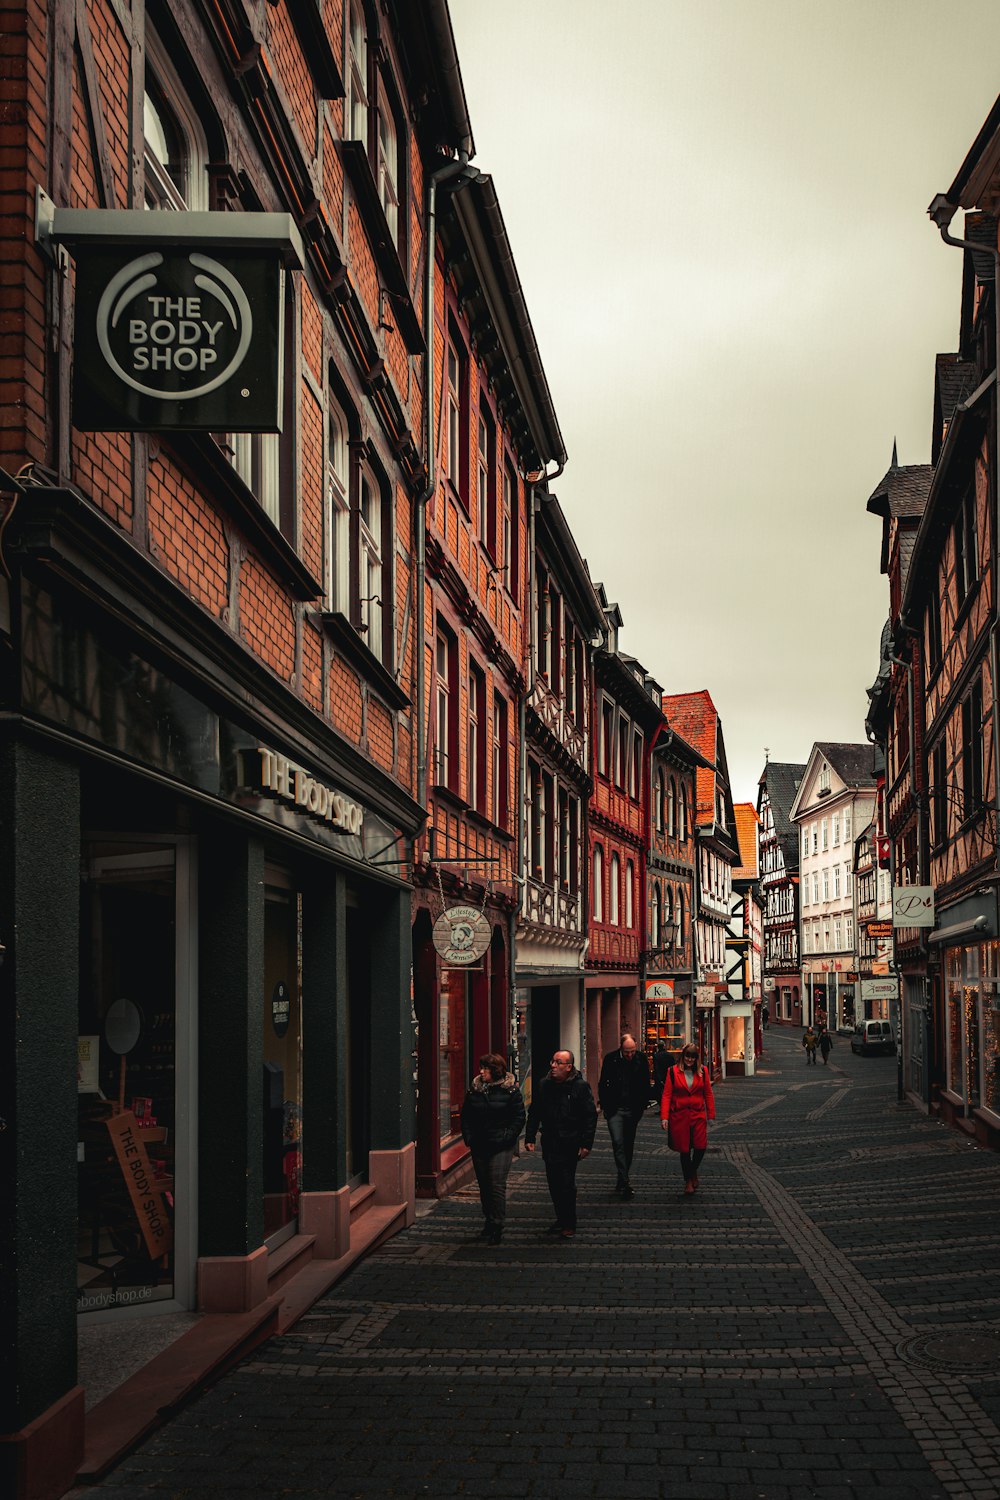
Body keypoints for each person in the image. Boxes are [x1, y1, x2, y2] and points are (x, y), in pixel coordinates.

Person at [524, 1049, 597, 1238]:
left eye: (558, 1063)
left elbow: (590, 1117)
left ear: (569, 1067)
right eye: (553, 1062)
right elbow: (535, 1111)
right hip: (550, 1141)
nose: (553, 1066)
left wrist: (586, 1143)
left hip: (570, 1142)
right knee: (553, 1183)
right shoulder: (544, 1085)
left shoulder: (580, 1087)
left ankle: (569, 1223)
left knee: (566, 1183)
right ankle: (561, 1218)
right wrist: (530, 1136)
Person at [460, 1052, 525, 1245]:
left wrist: (507, 1137)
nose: (481, 1072)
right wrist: (469, 1137)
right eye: (481, 1068)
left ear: (496, 1071)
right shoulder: (475, 1090)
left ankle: (497, 1225)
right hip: (480, 1143)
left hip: (501, 1145)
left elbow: (519, 1117)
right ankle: (489, 1220)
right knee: (484, 1185)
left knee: (496, 1184)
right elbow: (466, 1116)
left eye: (485, 1069)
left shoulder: (510, 1091)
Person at [597, 1032, 652, 1198]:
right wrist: (605, 1105)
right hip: (615, 1109)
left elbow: (644, 1083)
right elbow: (603, 1083)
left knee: (628, 1144)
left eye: (632, 1051)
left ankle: (622, 1177)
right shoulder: (611, 1059)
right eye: (627, 1052)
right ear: (621, 1047)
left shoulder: (641, 1059)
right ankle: (626, 1181)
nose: (630, 1055)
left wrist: (642, 1104)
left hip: (633, 1109)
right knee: (617, 1142)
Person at [660, 1042, 715, 1194]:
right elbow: (666, 1095)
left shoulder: (703, 1071)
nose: (689, 1060)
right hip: (679, 1115)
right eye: (687, 1057)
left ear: (696, 1058)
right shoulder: (672, 1072)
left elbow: (708, 1094)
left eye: (693, 1057)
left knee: (700, 1147)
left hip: (697, 1115)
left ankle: (692, 1171)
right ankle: (688, 1181)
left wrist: (711, 1115)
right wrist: (664, 1117)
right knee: (684, 1150)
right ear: (683, 1056)